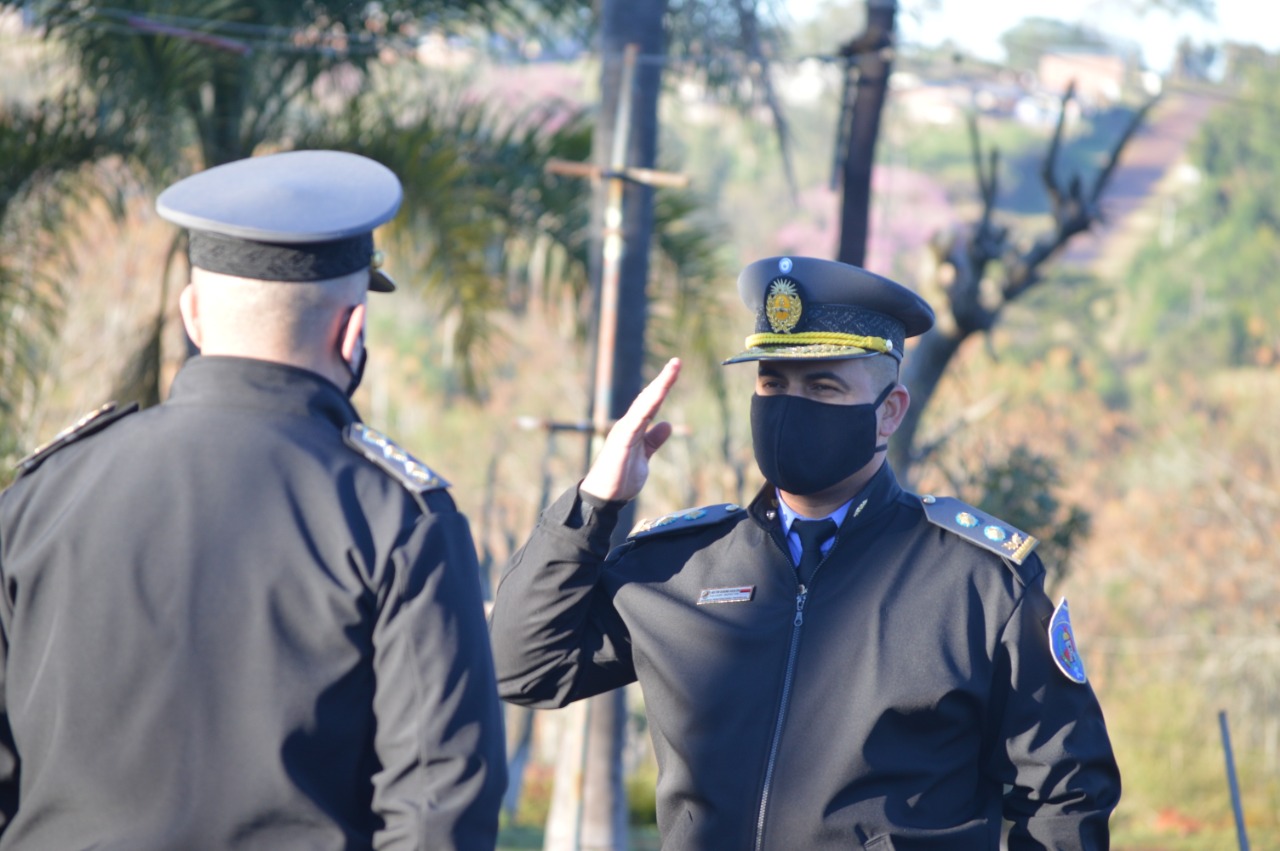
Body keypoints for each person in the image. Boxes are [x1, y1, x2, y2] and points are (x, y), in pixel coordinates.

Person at [489, 256, 1121, 850]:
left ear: (888, 413)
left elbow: (1067, 792)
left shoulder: (977, 582)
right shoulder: (678, 567)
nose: (790, 406)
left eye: (822, 386)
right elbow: (522, 667)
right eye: (772, 382)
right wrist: (593, 506)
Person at [0, 150, 506, 850]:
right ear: (352, 331)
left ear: (192, 315)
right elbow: (438, 812)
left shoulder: (39, 496)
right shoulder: (397, 518)